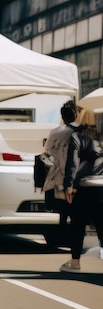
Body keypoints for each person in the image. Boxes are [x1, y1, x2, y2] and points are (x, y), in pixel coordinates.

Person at [60, 109, 103, 272]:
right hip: (102, 188)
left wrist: (68, 186)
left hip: (84, 189)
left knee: (78, 226)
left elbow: (72, 163)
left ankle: (75, 262)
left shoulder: (77, 136)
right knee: (102, 226)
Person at [41, 100, 79, 233]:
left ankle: (63, 233)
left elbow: (47, 153)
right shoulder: (80, 131)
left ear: (62, 117)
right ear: (76, 115)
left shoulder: (55, 132)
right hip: (76, 177)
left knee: (63, 211)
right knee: (76, 210)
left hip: (57, 178)